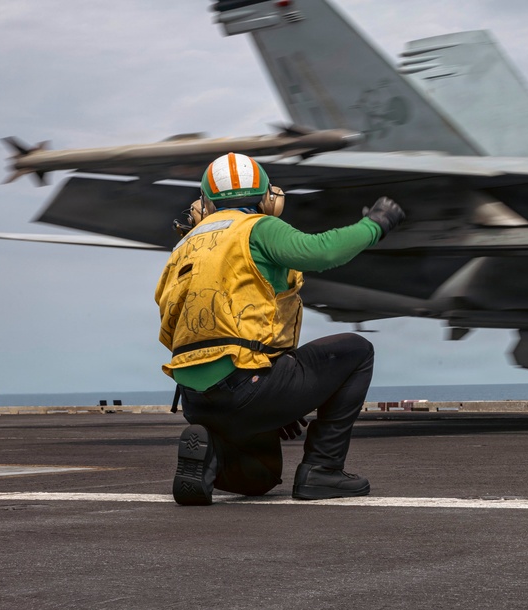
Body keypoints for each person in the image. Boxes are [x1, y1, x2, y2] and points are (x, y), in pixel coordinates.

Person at [155, 152, 404, 506]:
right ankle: (323, 469)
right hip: (248, 386)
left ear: (204, 203)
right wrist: (375, 224)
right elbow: (321, 252)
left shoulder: (183, 247)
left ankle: (211, 457)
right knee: (356, 351)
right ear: (268, 198)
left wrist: (279, 390)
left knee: (260, 478)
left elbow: (168, 328)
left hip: (197, 400)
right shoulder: (258, 228)